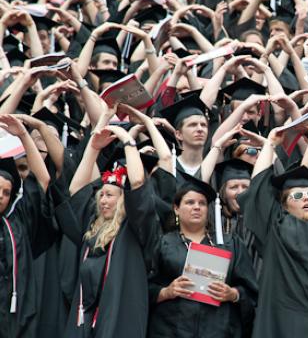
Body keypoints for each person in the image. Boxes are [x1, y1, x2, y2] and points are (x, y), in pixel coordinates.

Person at [237, 125, 308, 338]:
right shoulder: (275, 224)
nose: (307, 198)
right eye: (298, 196)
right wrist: (271, 143)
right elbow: (258, 186)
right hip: (287, 319)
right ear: (284, 204)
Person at [54, 120, 158, 338]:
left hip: (119, 319)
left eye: (109, 195)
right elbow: (76, 189)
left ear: (123, 200)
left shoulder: (134, 229)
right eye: (101, 195)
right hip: (85, 320)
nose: (102, 200)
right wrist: (93, 147)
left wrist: (128, 140)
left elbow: (138, 182)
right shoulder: (91, 227)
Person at [147, 172, 258, 338]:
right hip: (170, 329)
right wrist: (166, 292)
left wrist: (233, 294)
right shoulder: (163, 244)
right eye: (190, 202)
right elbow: (143, 288)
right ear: (176, 209)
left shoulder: (230, 244)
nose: (197, 207)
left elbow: (250, 291)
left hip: (219, 329)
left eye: (202, 203)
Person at [0, 114, 52, 338]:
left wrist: (23, 134)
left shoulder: (17, 219)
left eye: (6, 193)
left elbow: (43, 180)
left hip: (17, 315)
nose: (0, 196)